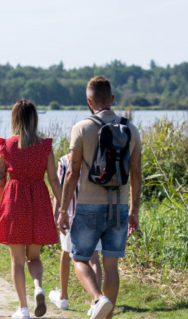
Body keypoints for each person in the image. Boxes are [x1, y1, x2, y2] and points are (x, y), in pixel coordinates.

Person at [58, 76, 142, 319]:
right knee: (111, 266)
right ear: (112, 99)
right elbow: (136, 173)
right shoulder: (131, 129)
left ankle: (98, 299)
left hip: (88, 206)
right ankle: (106, 314)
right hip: (120, 207)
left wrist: (63, 210)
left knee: (79, 258)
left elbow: (72, 173)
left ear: (89, 101)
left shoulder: (81, 128)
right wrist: (134, 210)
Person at [0, 99, 62, 319]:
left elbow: (0, 180)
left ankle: (23, 309)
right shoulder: (45, 146)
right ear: (34, 119)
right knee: (34, 257)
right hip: (39, 202)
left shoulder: (7, 146)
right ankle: (38, 287)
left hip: (14, 202)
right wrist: (64, 207)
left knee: (17, 260)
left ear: (14, 119)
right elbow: (53, 178)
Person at [48, 153, 103, 316]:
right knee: (94, 257)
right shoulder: (97, 159)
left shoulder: (65, 161)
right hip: (95, 214)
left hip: (71, 215)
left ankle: (63, 297)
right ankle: (96, 301)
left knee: (66, 254)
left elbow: (60, 189)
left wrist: (56, 213)